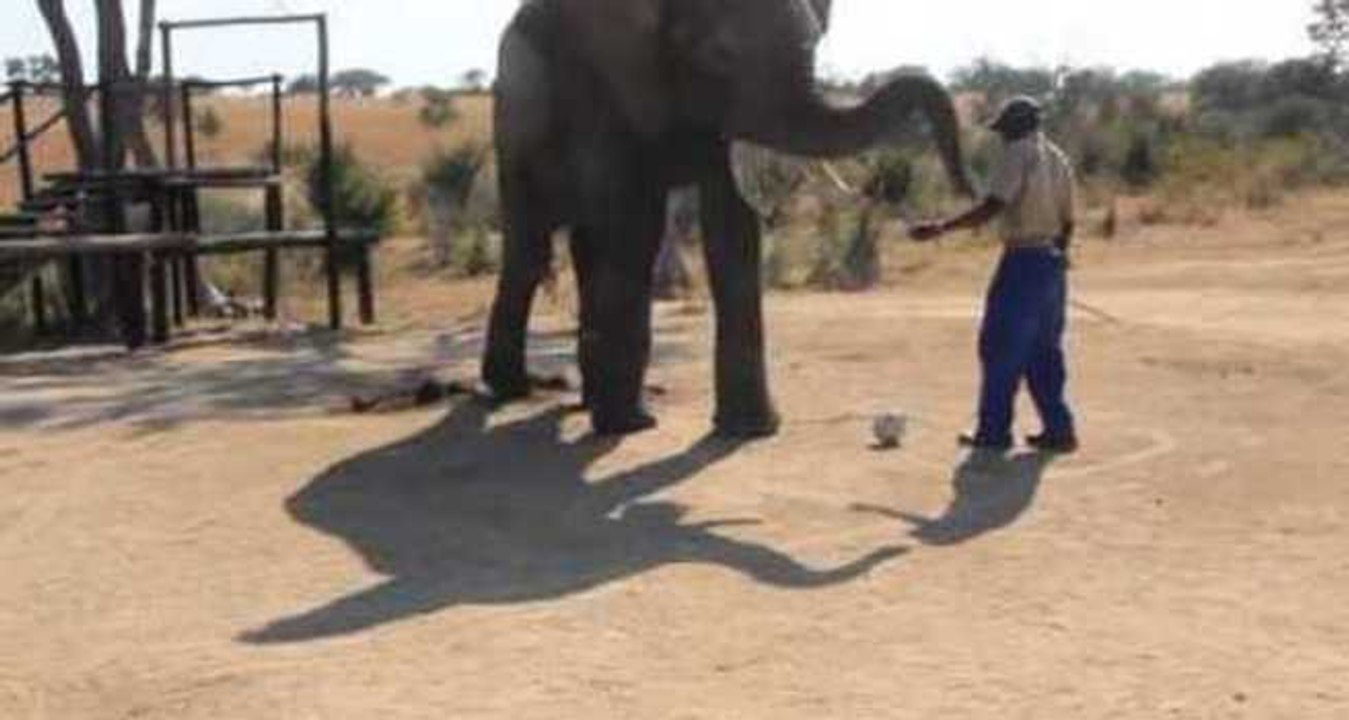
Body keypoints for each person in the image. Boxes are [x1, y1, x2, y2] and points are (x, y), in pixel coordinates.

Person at [909, 96, 1079, 454]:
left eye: (1005, 128)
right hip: (1050, 263)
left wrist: (940, 228)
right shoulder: (1057, 157)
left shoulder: (1018, 152)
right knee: (1045, 351)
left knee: (1001, 347)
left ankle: (993, 431)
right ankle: (1059, 428)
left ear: (1019, 126)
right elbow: (1068, 219)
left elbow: (992, 206)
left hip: (1021, 262)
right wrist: (1059, 254)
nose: (1002, 136)